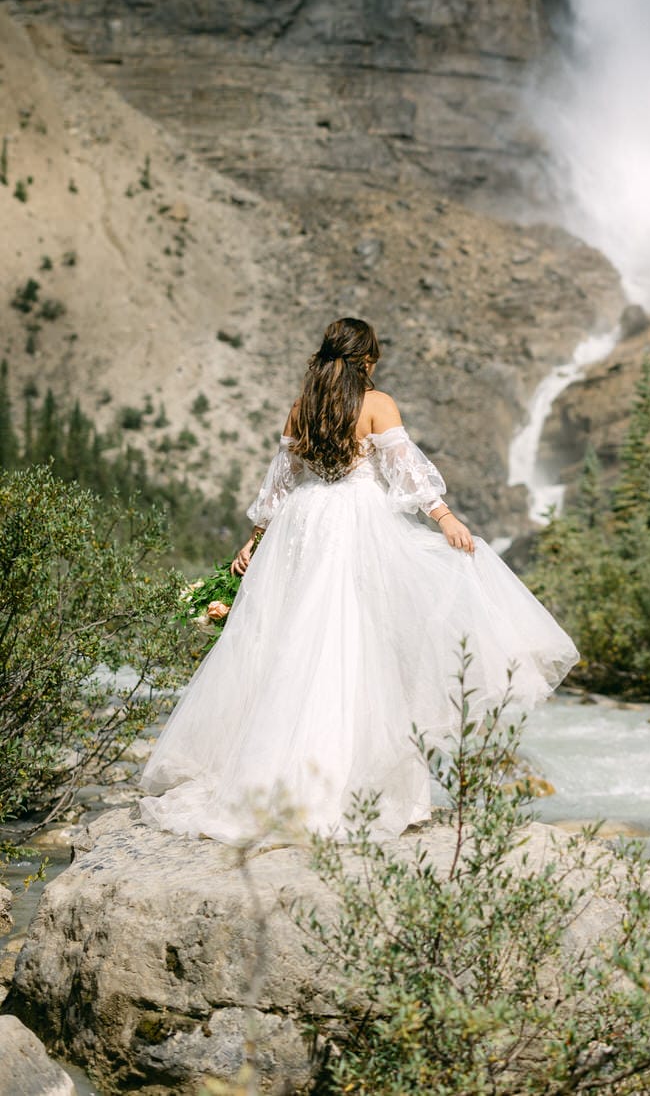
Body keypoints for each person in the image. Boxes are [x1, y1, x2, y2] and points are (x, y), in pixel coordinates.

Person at [140, 317, 578, 843]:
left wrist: (255, 539)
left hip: (304, 526)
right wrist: (446, 519)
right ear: (365, 358)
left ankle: (272, 782)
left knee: (294, 645)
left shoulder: (304, 406)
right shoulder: (376, 403)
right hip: (356, 526)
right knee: (362, 647)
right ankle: (354, 794)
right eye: (375, 356)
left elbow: (282, 482)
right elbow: (406, 473)